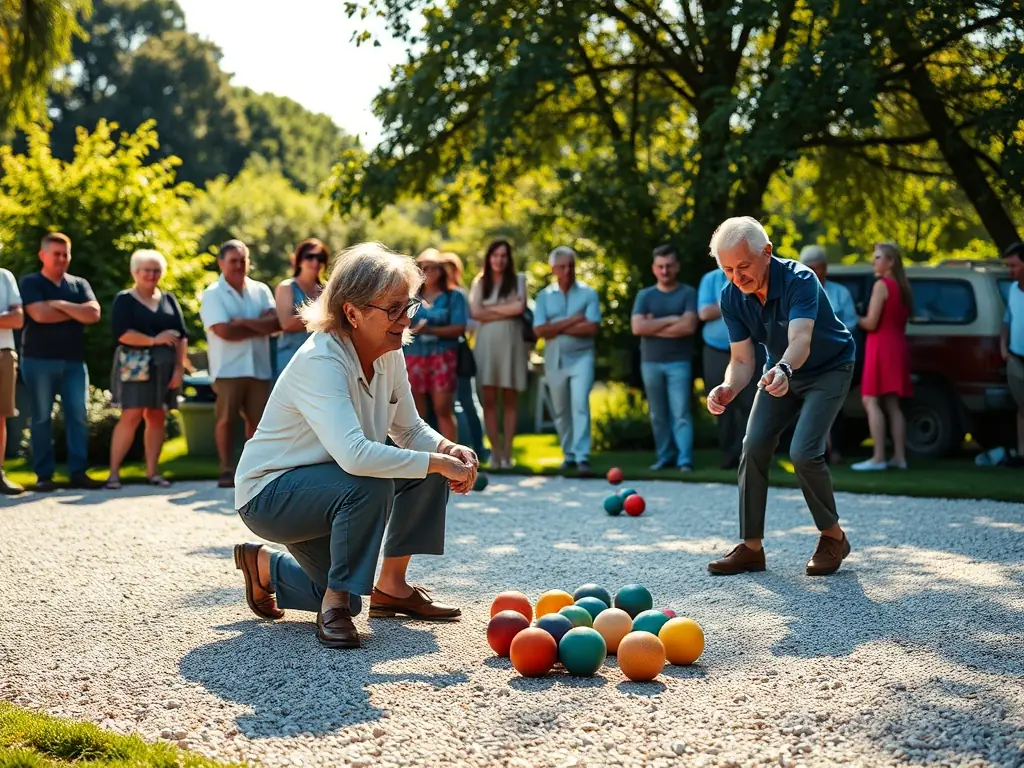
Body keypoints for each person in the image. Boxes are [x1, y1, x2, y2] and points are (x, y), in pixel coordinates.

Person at [231, 242, 477, 650]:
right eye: (393, 308)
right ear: (352, 312)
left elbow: (410, 430)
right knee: (376, 484)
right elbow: (354, 455)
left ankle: (383, 588)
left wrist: (447, 449)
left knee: (424, 469)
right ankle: (335, 604)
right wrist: (436, 462)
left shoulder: (389, 349)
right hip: (271, 495)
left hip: (332, 488)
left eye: (408, 306)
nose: (405, 319)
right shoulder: (321, 360)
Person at [704, 217, 857, 577]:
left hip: (828, 368)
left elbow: (801, 340)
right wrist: (728, 387)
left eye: (743, 266)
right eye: (728, 269)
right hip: (779, 372)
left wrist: (785, 370)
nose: (736, 277)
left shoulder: (800, 279)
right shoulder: (731, 297)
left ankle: (833, 537)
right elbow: (741, 361)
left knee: (804, 451)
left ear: (767, 253)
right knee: (753, 444)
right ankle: (751, 547)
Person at [19, 233, 104, 491]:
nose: (62, 259)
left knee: (78, 415)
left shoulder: (79, 284)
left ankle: (78, 472)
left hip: (74, 363)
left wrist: (58, 304)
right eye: (56, 254)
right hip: (37, 361)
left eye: (65, 253)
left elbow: (93, 314)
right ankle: (44, 475)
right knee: (41, 417)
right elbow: (40, 315)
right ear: (42, 255)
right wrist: (75, 311)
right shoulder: (31, 282)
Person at [105, 250, 188, 490]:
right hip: (134, 367)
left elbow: (182, 337)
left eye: (156, 270)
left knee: (157, 417)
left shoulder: (169, 299)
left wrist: (179, 369)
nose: (151, 275)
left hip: (165, 368)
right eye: (146, 270)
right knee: (131, 415)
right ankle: (113, 474)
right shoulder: (124, 299)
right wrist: (155, 340)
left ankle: (153, 472)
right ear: (135, 272)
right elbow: (122, 334)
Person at [199, 240, 279, 489]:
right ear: (221, 263)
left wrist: (242, 322)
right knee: (226, 420)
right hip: (228, 369)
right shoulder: (213, 293)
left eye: (242, 260)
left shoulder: (261, 289)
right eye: (233, 260)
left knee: (259, 423)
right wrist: (258, 325)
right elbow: (223, 331)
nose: (238, 265)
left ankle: (254, 469)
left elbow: (276, 324)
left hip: (259, 367)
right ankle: (226, 468)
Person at [533, 246, 601, 476]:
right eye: (562, 266)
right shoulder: (544, 296)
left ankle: (582, 456)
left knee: (580, 404)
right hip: (555, 359)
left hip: (582, 357)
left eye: (570, 265)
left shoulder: (588, 294)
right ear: (553, 269)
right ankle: (569, 454)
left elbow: (591, 327)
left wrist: (556, 325)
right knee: (561, 409)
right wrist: (574, 320)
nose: (567, 270)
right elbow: (540, 330)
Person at [631, 244, 699, 472]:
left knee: (680, 412)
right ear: (653, 269)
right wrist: (672, 319)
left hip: (679, 361)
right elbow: (637, 327)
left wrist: (653, 325)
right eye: (660, 266)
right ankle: (664, 457)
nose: (665, 271)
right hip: (650, 362)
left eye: (669, 266)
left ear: (676, 266)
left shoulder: (688, 293)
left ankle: (685, 460)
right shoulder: (645, 295)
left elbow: (688, 326)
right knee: (657, 414)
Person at [852, 242, 913, 472]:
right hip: (898, 345)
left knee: (870, 400)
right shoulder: (903, 287)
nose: (873, 262)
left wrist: (853, 317)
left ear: (890, 262)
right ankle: (899, 457)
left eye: (878, 257)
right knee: (892, 403)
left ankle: (878, 457)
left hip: (880, 346)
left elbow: (871, 322)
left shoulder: (882, 285)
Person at [469, 240, 529, 469]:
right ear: (489, 257)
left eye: (504, 256)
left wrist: (489, 310)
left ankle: (507, 452)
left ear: (509, 258)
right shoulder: (480, 281)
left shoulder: (518, 280)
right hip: (486, 345)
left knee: (511, 399)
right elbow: (475, 312)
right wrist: (505, 309)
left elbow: (519, 308)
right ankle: (495, 451)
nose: (499, 260)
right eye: (495, 255)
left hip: (512, 345)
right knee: (490, 400)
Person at [799, 245, 859, 464]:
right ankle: (815, 452)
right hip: (806, 360)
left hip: (835, 358)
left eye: (816, 268)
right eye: (807, 268)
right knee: (808, 407)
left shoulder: (840, 293)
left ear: (824, 268)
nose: (812, 272)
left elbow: (851, 325)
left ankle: (834, 450)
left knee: (833, 405)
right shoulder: (797, 293)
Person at [403, 249, 468, 442]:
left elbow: (459, 328)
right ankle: (421, 465)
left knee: (443, 409)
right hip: (414, 355)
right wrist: (414, 331)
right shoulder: (410, 297)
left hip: (443, 356)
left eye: (432, 267)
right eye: (422, 267)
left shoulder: (454, 296)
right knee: (416, 415)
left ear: (441, 270)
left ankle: (454, 463)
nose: (427, 271)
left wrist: (430, 331)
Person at [698, 265, 759, 469]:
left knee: (750, 402)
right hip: (716, 350)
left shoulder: (751, 275)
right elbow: (704, 313)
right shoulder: (710, 278)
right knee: (721, 403)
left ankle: (744, 453)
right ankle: (728, 453)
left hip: (748, 349)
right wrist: (734, 300)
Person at [441, 251, 489, 463]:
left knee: (468, 402)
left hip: (459, 355)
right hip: (439, 357)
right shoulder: (436, 297)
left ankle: (479, 447)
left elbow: (469, 325)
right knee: (446, 406)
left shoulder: (459, 295)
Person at [274, 239, 327, 377]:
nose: (315, 262)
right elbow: (287, 324)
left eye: (320, 258)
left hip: (321, 359)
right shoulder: (286, 287)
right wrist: (325, 316)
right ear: (298, 260)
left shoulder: (328, 289)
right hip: (291, 360)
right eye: (309, 257)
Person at [0, 267, 24, 495]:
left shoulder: (5, 276)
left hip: (4, 352)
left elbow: (17, 319)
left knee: (0, 416)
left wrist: (9, 317)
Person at [1000, 242, 1024, 461]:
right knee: (1021, 406)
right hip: (1016, 356)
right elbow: (1007, 319)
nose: (1010, 271)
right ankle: (1021, 453)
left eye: (1014, 265)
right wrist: (1003, 347)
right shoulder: (1012, 290)